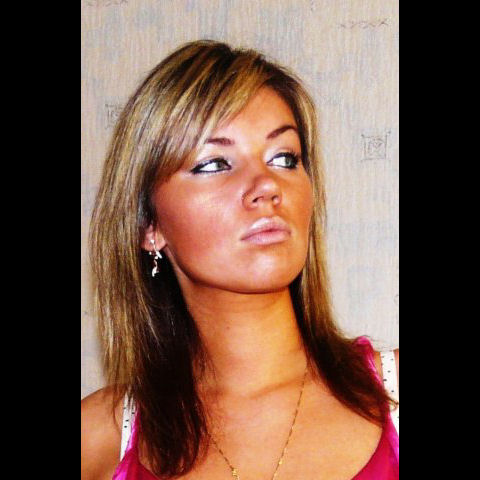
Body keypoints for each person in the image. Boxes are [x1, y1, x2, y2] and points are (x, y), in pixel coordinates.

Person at [81, 40, 399, 480]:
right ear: (148, 225)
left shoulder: (393, 394)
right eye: (214, 164)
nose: (267, 185)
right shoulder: (98, 438)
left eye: (284, 158)